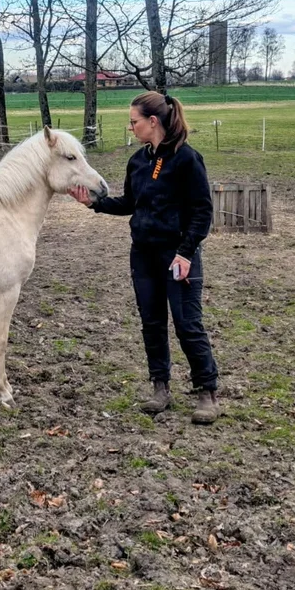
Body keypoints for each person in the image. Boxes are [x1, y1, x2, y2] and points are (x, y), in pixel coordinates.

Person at [71, 91, 219, 422]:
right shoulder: (138, 161)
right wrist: (93, 204)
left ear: (153, 122)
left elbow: (202, 212)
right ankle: (160, 387)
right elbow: (129, 203)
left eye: (133, 121)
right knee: (152, 323)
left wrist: (185, 253)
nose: (130, 127)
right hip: (143, 255)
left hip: (178, 256)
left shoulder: (187, 160)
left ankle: (206, 392)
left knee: (187, 324)